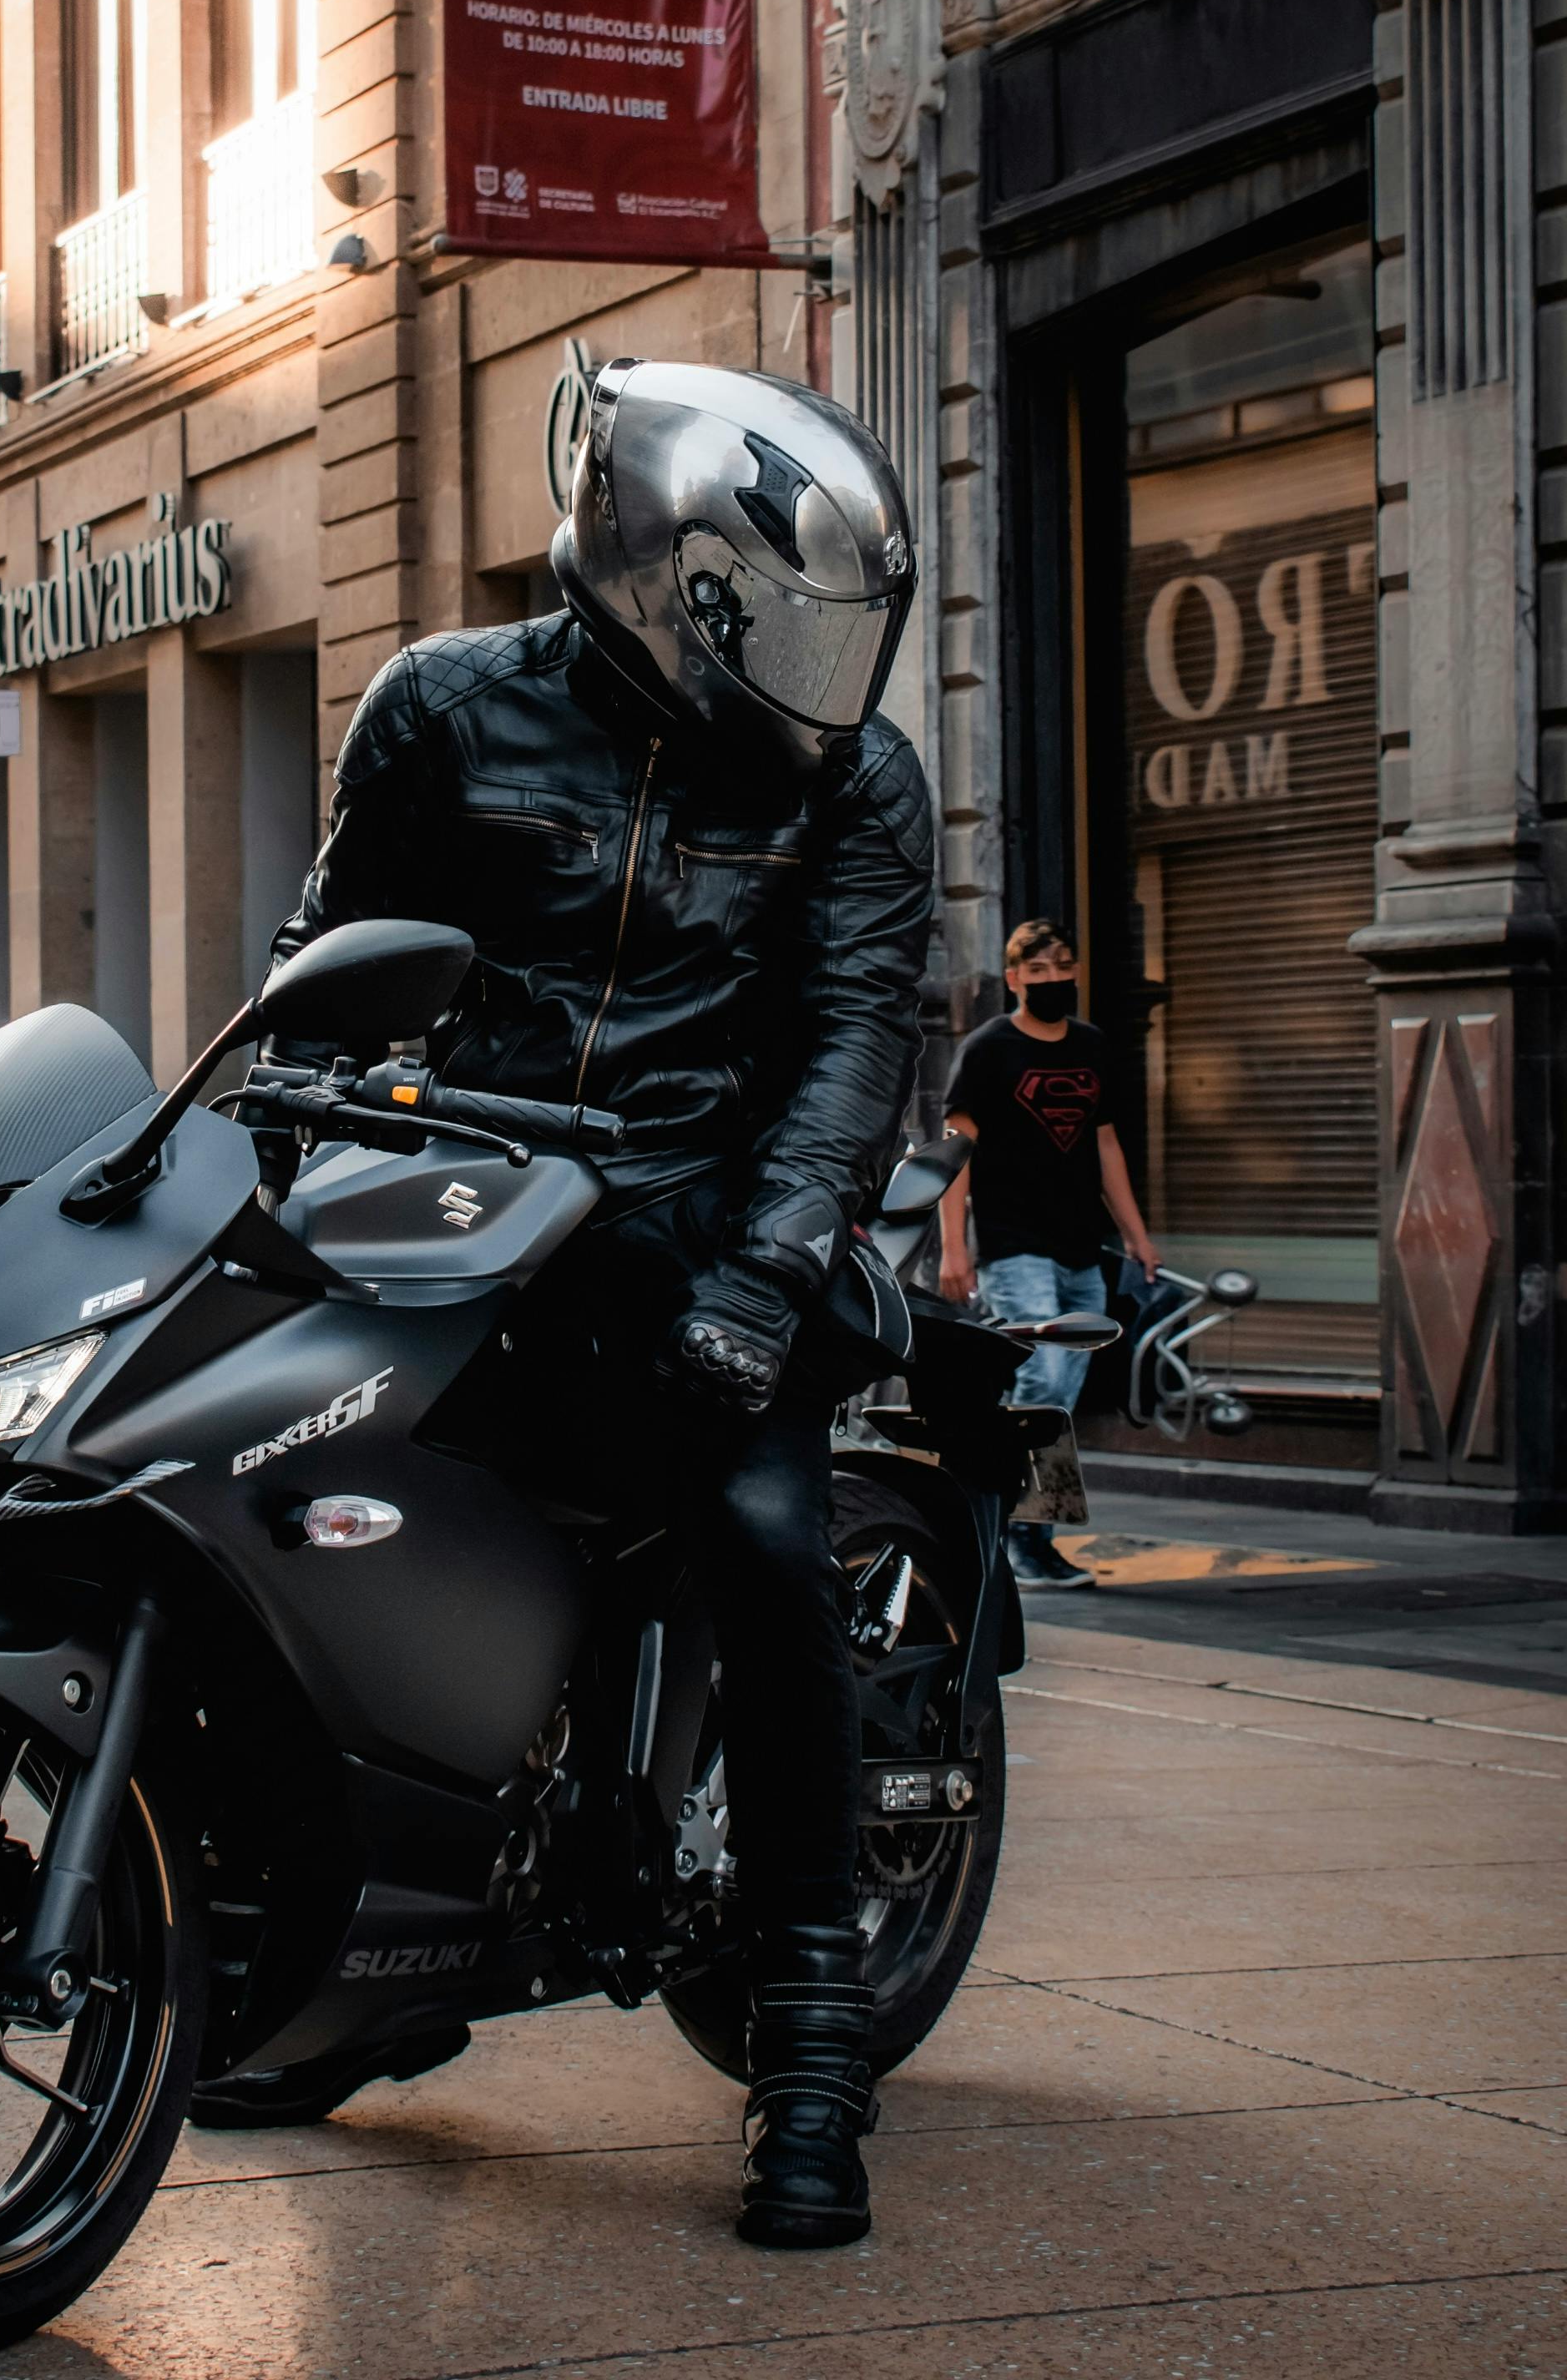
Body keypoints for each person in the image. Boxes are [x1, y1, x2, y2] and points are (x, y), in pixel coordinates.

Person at [196, 361, 933, 2252]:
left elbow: (859, 1037)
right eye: (773, 610)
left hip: (713, 1215)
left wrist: (772, 1270)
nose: (808, 654)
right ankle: (366, 1960)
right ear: (659, 572)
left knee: (767, 1532)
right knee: (302, 1507)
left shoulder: (851, 770)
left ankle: (815, 2026)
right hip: (468, 1199)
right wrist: (255, 1167)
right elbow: (327, 968)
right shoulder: (447, 707)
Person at [936, 921, 1159, 1589]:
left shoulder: (1091, 1046)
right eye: (1036, 971)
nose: (1051, 979)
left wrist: (1135, 1233)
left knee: (1060, 1388)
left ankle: (994, 1495)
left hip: (1078, 1247)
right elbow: (954, 1153)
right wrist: (954, 1248)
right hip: (1013, 1245)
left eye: (1062, 966)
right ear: (1013, 980)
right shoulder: (987, 1049)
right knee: (1043, 1384)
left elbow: (1106, 1145)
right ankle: (1022, 1533)